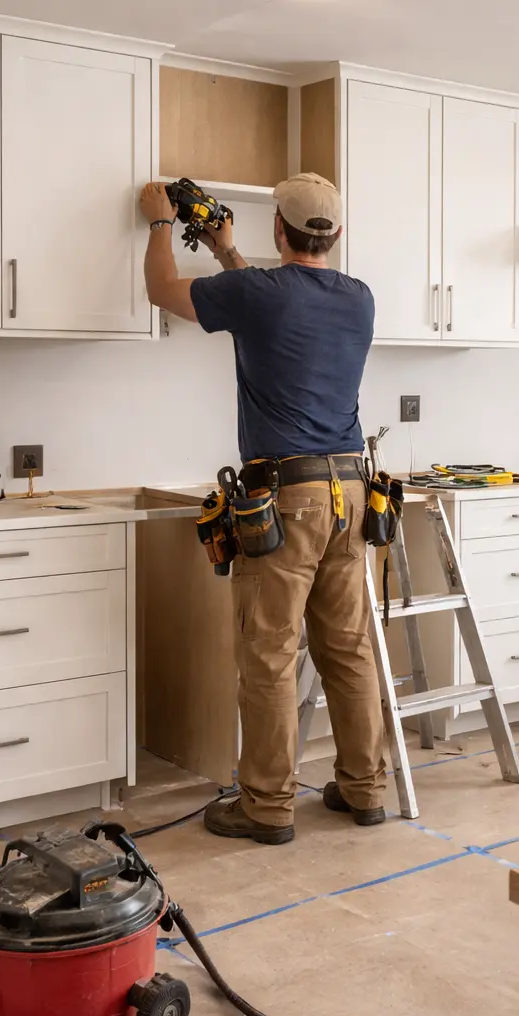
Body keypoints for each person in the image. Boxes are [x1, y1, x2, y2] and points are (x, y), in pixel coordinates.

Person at [138, 173, 388, 844]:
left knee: (272, 653)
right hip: (350, 492)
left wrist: (162, 224)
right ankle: (365, 790)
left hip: (288, 498)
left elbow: (161, 291)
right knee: (348, 650)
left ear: (278, 228)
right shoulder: (358, 299)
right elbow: (276, 306)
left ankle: (269, 806)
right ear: (335, 235)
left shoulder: (258, 294)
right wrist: (224, 251)